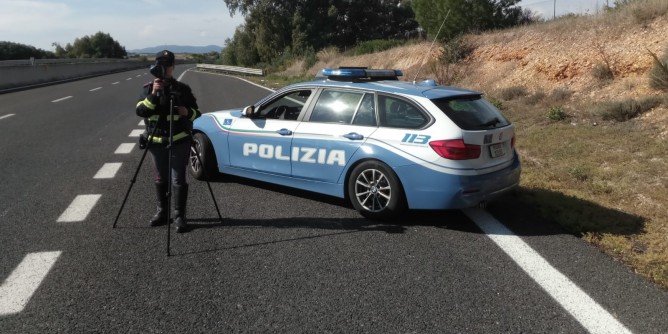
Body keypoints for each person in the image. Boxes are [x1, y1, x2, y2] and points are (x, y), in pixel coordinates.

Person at [136, 50, 201, 233]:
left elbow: (197, 112)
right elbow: (140, 111)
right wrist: (154, 95)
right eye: (161, 65)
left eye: (168, 65)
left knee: (178, 178)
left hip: (179, 141)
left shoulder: (182, 89)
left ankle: (179, 215)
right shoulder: (148, 89)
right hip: (156, 143)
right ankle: (162, 212)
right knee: (160, 177)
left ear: (173, 67)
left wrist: (186, 112)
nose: (165, 69)